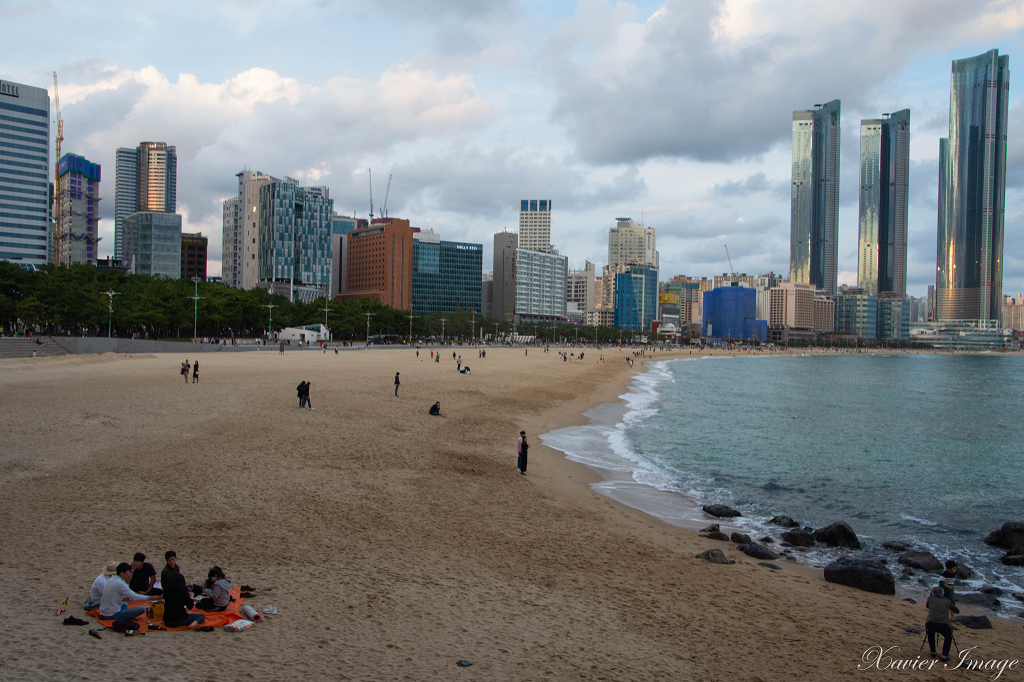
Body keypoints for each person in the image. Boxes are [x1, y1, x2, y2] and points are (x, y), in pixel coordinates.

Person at [99, 562, 157, 627]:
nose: (129, 573)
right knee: (141, 609)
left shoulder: (111, 580)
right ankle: (125, 617)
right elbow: (135, 597)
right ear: (122, 573)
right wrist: (153, 598)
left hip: (103, 613)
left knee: (124, 605)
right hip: (111, 615)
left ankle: (127, 616)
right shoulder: (120, 583)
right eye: (128, 572)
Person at [925, 585, 959, 661]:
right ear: (943, 594)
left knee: (930, 634)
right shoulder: (947, 601)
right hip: (944, 624)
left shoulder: (930, 599)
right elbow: (957, 611)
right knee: (948, 637)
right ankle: (944, 655)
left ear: (932, 593)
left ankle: (933, 652)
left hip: (930, 623)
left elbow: (927, 606)